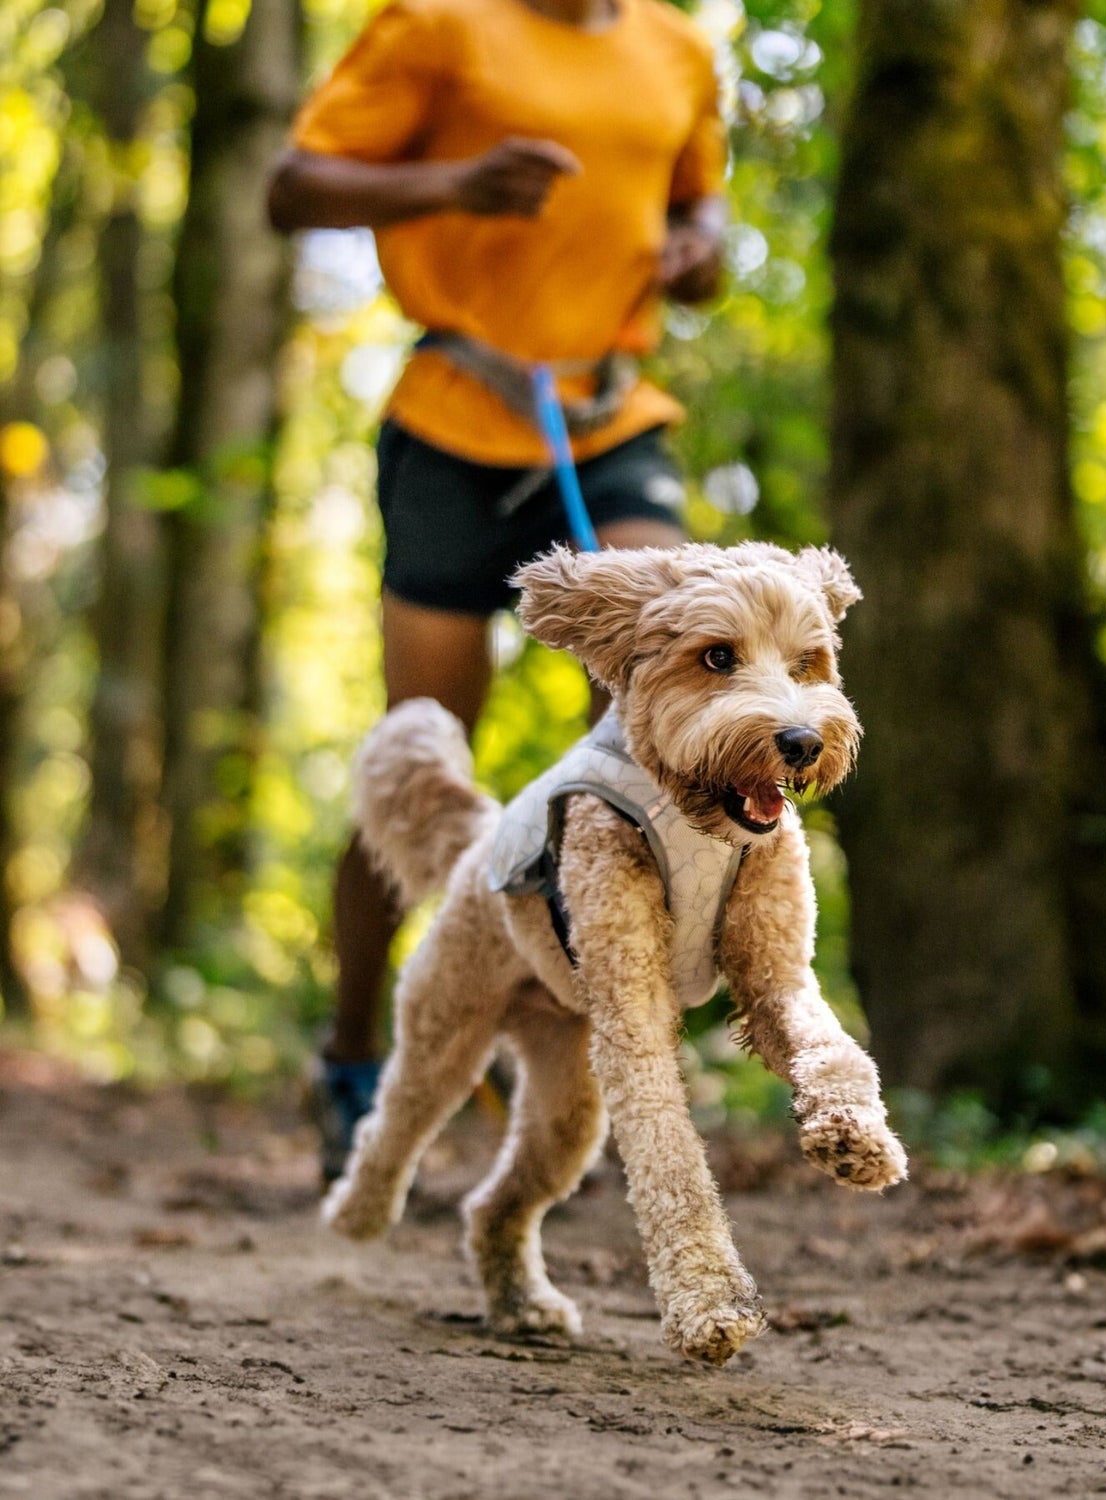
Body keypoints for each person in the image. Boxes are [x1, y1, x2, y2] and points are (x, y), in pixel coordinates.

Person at [266, 0, 727, 1178]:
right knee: (423, 756)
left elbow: (700, 219)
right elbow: (293, 188)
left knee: (656, 698)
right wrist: (455, 183)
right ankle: (355, 1054)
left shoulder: (677, 47)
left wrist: (699, 247)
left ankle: (599, 1044)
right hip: (455, 422)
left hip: (609, 416)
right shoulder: (436, 24)